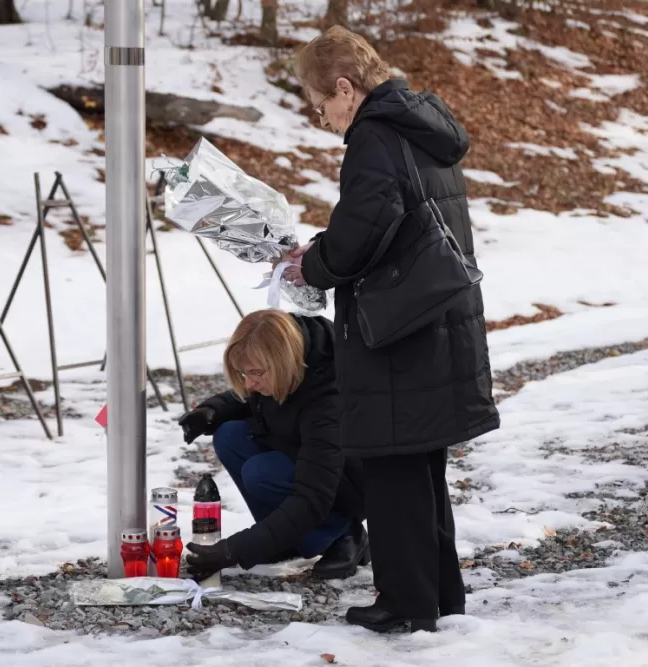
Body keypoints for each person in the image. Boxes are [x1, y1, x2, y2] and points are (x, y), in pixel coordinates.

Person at [280, 26, 500, 633]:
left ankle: (406, 602)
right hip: (434, 323)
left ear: (346, 89)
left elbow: (363, 231)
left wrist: (313, 262)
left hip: (397, 331)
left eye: (320, 103)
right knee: (423, 466)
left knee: (393, 465)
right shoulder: (420, 124)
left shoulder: (374, 135)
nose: (319, 116)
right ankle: (439, 594)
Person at [178, 309, 369, 581]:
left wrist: (237, 550)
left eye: (256, 373)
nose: (249, 383)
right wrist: (211, 411)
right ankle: (286, 541)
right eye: (243, 373)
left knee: (262, 471)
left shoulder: (328, 395)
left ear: (283, 361)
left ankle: (343, 534)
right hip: (303, 455)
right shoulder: (282, 368)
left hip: (346, 481)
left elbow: (312, 497)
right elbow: (249, 398)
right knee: (229, 435)